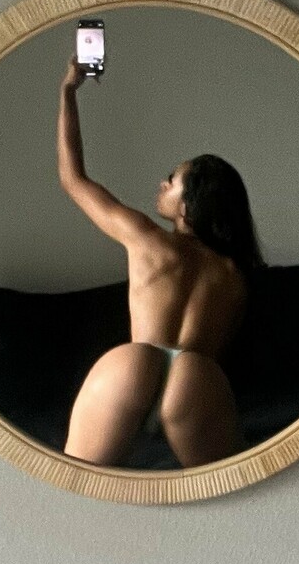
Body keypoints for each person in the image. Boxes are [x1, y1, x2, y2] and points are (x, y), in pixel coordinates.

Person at [56, 52, 263, 467]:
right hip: (197, 378)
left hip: (133, 366)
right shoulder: (237, 274)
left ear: (188, 206)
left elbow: (73, 178)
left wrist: (68, 91)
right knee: (228, 494)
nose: (162, 184)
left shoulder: (147, 239)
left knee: (76, 487)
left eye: (172, 180)